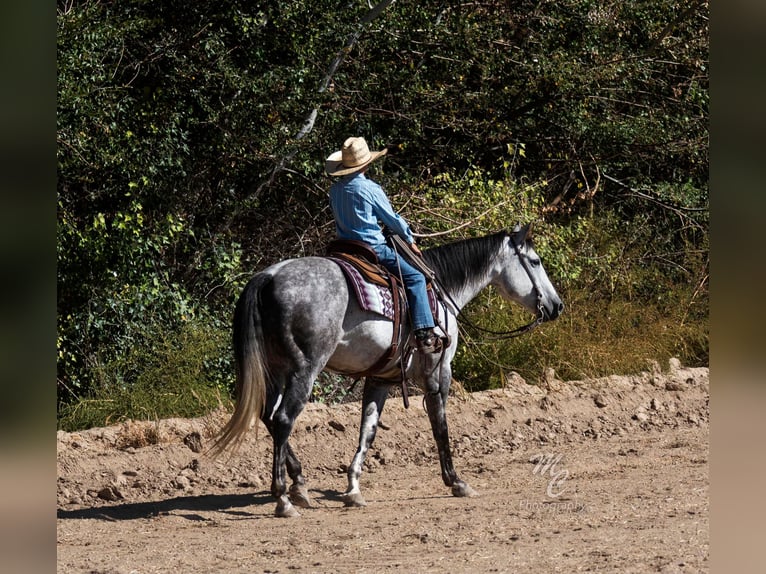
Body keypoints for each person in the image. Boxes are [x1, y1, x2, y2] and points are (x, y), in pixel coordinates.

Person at [326, 136, 438, 353]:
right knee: (416, 277)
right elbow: (391, 219)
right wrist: (409, 239)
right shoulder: (369, 188)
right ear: (367, 163)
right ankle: (424, 333)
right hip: (372, 249)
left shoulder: (335, 190)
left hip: (344, 248)